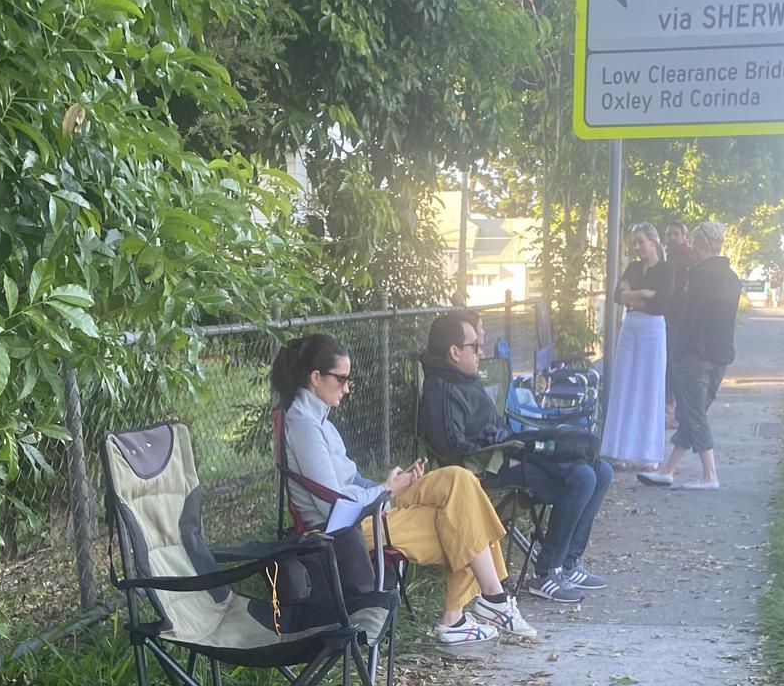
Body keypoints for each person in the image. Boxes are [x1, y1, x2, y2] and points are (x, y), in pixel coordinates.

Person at [272, 334, 536, 645]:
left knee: (460, 481)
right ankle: (472, 609)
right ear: (316, 378)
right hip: (347, 530)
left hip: (369, 507)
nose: (347, 387)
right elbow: (332, 506)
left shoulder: (319, 420)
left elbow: (348, 483)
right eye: (341, 379)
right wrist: (385, 489)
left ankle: (479, 608)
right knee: (462, 519)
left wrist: (392, 483)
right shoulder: (305, 426)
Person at [419, 313, 614, 604]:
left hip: (505, 452)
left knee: (602, 470)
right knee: (582, 477)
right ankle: (547, 572)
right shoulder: (442, 389)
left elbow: (488, 427)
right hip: (486, 469)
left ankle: (569, 562)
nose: (481, 353)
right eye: (475, 347)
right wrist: (504, 456)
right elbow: (453, 450)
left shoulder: (461, 377)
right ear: (454, 352)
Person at [638, 222, 741, 490]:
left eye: (694, 245)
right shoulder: (732, 277)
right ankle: (667, 470)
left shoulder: (698, 275)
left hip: (694, 355)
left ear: (704, 246)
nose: (691, 250)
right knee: (695, 413)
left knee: (694, 415)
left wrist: (679, 349)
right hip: (721, 354)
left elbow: (690, 316)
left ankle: (710, 475)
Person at [601, 222, 674, 470]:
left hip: (653, 330)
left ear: (653, 241)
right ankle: (620, 450)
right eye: (635, 242)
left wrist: (634, 297)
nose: (638, 247)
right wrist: (642, 293)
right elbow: (617, 296)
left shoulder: (665, 270)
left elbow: (660, 304)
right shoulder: (633, 267)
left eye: (641, 241)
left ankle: (647, 453)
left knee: (649, 385)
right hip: (630, 328)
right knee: (625, 383)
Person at [662, 222, 693, 429]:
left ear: (684, 236)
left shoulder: (687, 258)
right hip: (668, 318)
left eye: (676, 234)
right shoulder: (668, 257)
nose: (672, 238)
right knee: (669, 366)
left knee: (673, 366)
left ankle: (674, 413)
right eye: (669, 234)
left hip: (678, 319)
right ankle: (671, 410)